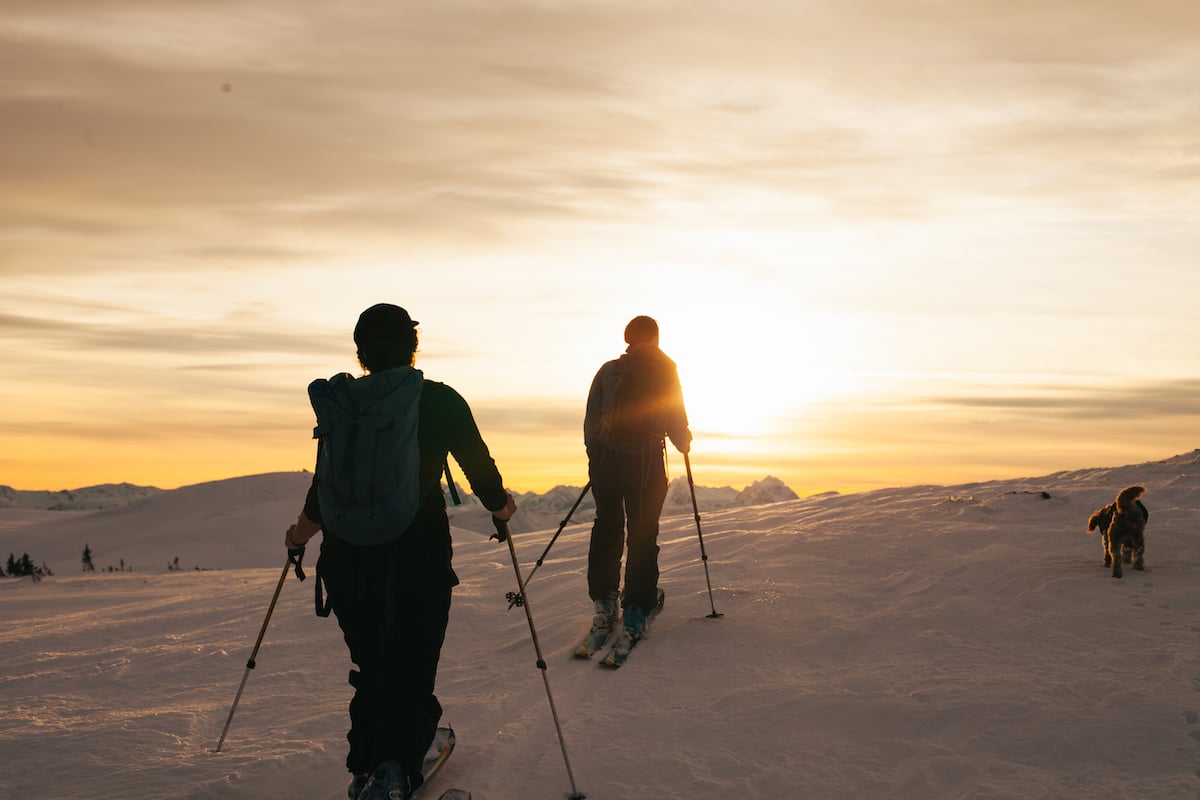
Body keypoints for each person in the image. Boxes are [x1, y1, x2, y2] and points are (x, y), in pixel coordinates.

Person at [284, 303, 516, 800]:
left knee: (373, 665)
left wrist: (299, 536)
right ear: (413, 346)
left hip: (346, 562)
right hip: (417, 558)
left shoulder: (344, 404)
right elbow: (480, 471)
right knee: (411, 665)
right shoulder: (438, 400)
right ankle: (392, 769)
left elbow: (326, 484)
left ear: (361, 352)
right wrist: (502, 509)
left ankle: (365, 764)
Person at [582, 315, 691, 650]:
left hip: (606, 463)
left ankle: (605, 603)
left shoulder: (607, 371)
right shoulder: (664, 369)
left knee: (607, 527)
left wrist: (598, 460)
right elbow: (675, 420)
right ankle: (636, 607)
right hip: (645, 463)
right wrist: (683, 440)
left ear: (628, 339)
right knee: (643, 531)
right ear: (655, 339)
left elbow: (591, 422)